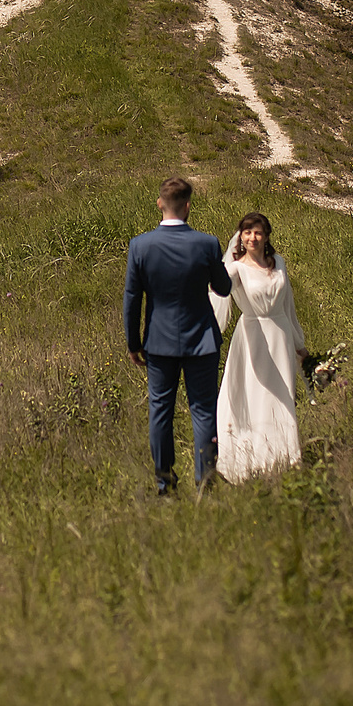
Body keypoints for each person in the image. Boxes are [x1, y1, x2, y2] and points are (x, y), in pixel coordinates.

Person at [123, 176, 232, 496]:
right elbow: (223, 289)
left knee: (160, 412)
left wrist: (133, 343)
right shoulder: (207, 243)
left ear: (160, 204)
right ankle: (205, 482)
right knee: (203, 411)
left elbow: (132, 299)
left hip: (158, 340)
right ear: (187, 206)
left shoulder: (140, 245)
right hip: (202, 339)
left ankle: (164, 485)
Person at [214, 212, 302, 481]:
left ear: (266, 236)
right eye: (247, 232)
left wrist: (299, 343)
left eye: (258, 232)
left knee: (282, 395)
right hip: (252, 334)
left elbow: (289, 306)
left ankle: (286, 456)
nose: (252, 237)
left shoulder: (280, 264)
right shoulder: (237, 268)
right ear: (240, 236)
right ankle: (251, 457)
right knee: (254, 393)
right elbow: (220, 287)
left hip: (280, 334)